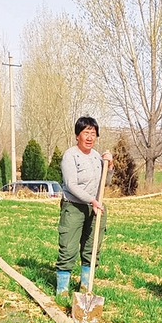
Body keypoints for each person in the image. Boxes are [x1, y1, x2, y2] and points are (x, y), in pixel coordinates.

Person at [55, 116, 113, 294]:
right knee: (68, 248)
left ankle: (86, 288)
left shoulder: (96, 157)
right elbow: (71, 185)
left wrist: (110, 166)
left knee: (91, 249)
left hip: (94, 208)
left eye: (93, 134)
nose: (89, 137)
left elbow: (105, 183)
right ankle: (62, 290)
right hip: (74, 207)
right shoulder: (70, 155)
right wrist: (92, 200)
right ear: (77, 135)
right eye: (86, 133)